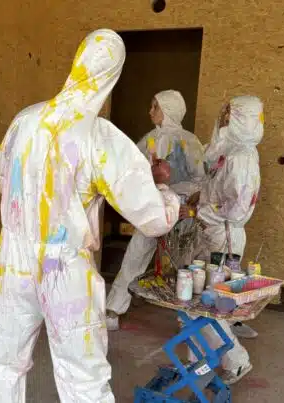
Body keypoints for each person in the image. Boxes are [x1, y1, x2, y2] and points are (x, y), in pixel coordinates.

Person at [0, 29, 180, 403]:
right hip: (65, 268)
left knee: (7, 364)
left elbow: (2, 181)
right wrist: (163, 189)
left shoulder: (25, 120)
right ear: (112, 74)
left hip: (13, 260)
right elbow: (153, 218)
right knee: (83, 378)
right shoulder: (97, 134)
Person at [105, 90, 205, 331]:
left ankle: (186, 316)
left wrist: (186, 202)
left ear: (169, 110)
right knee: (136, 254)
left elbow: (201, 180)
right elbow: (132, 169)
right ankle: (114, 307)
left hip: (180, 210)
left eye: (155, 107)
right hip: (153, 208)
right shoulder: (149, 139)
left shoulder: (189, 141)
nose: (150, 112)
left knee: (182, 262)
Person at [180, 95, 263, 384]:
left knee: (210, 305)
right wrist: (199, 196)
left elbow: (236, 209)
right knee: (197, 302)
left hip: (224, 238)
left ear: (242, 119)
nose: (223, 118)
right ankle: (198, 359)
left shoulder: (242, 159)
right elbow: (217, 189)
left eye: (230, 114)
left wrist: (197, 211)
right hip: (211, 232)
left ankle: (237, 361)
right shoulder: (230, 151)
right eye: (224, 112)